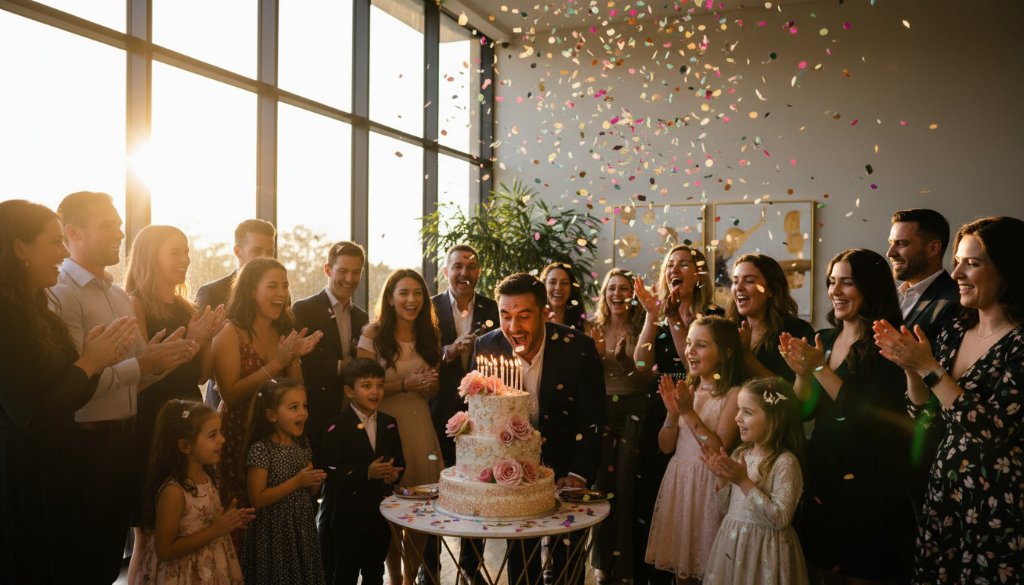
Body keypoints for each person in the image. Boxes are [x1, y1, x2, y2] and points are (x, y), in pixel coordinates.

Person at [51, 191, 197, 584]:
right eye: (108, 226)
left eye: (119, 224)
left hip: (125, 439)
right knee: (80, 558)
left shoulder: (116, 295)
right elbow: (77, 384)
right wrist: (144, 363)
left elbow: (138, 378)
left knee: (107, 555)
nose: (119, 232)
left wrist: (165, 359)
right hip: (86, 443)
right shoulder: (63, 293)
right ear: (73, 233)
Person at [873, 216, 1024, 584]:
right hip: (942, 495)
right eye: (957, 261)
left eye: (972, 263)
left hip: (998, 508)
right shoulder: (956, 328)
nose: (956, 273)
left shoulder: (1019, 343)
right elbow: (926, 414)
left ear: (1009, 269)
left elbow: (992, 430)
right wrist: (911, 367)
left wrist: (929, 368)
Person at [0, 199, 136, 584]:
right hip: (23, 477)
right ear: (19, 248)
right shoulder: (5, 316)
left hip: (58, 466)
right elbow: (32, 416)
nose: (63, 252)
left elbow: (71, 394)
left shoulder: (39, 307)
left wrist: (99, 358)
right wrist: (89, 363)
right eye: (54, 242)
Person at [780, 248, 914, 584]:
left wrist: (819, 368)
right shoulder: (823, 339)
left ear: (871, 288)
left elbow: (866, 414)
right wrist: (801, 375)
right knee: (821, 570)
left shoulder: (890, 342)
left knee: (861, 573)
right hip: (823, 473)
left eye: (847, 283)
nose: (835, 292)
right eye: (832, 282)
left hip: (871, 481)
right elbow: (807, 410)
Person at [470, 272, 606, 585]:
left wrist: (578, 473)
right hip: (511, 471)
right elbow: (479, 414)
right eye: (506, 315)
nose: (513, 327)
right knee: (521, 557)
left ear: (545, 313)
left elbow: (593, 418)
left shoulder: (578, 349)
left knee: (566, 561)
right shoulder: (486, 348)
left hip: (565, 464)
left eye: (524, 316)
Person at [125, 224, 228, 583]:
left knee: (190, 521)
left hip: (190, 418)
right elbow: (144, 373)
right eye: (175, 252)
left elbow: (200, 376)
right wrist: (192, 339)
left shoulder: (186, 307)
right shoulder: (134, 302)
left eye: (186, 251)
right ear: (150, 256)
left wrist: (206, 340)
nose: (185, 259)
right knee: (150, 531)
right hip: (154, 420)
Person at [211, 257, 321, 553]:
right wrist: (277, 362)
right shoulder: (230, 333)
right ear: (250, 291)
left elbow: (295, 389)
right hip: (239, 436)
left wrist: (295, 357)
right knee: (243, 518)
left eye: (284, 286)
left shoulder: (284, 329)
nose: (280, 293)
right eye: (272, 286)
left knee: (276, 520)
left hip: (278, 439)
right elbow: (231, 394)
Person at [631, 244, 722, 585]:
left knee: (690, 502)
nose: (676, 269)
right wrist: (653, 316)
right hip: (660, 409)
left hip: (699, 408)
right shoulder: (657, 311)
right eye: (671, 264)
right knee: (653, 495)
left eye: (684, 264)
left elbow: (694, 370)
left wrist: (671, 319)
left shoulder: (712, 316)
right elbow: (641, 365)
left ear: (698, 275)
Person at [357, 269, 443, 585]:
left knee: (420, 508)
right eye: (404, 293)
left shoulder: (430, 334)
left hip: (419, 425)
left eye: (417, 293)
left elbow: (432, 389)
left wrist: (428, 384)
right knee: (390, 507)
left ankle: (410, 577)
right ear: (391, 298)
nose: (411, 300)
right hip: (383, 426)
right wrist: (405, 383)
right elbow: (361, 387)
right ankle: (394, 578)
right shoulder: (372, 333)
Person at [645, 316, 743, 583]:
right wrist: (672, 415)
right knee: (682, 568)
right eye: (688, 344)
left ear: (726, 353)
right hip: (679, 483)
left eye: (700, 345)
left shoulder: (733, 395)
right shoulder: (688, 389)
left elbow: (718, 447)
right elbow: (665, 446)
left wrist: (687, 412)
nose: (690, 351)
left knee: (710, 568)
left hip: (709, 485)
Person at [429, 245, 499, 584]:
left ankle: (471, 568)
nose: (464, 273)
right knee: (435, 485)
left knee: (478, 487)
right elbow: (419, 355)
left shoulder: (494, 309)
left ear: (480, 272)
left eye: (471, 267)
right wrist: (448, 352)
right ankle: (430, 567)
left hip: (481, 415)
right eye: (457, 266)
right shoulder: (428, 308)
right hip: (436, 411)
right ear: (446, 271)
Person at [699, 378, 808, 585]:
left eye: (747, 412)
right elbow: (725, 508)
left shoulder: (785, 462)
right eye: (739, 410)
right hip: (733, 545)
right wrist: (721, 477)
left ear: (774, 419)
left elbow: (780, 519)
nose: (737, 418)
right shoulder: (741, 454)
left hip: (767, 553)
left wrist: (742, 481)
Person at [886, 208, 961, 508]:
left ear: (933, 248)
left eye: (902, 244)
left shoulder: (954, 300)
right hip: (890, 441)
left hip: (926, 443)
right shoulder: (894, 297)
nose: (890, 251)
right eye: (891, 242)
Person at [136, 400, 253, 585]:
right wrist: (215, 530)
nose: (222, 439)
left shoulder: (208, 477)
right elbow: (165, 550)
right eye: (213, 435)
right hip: (184, 574)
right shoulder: (174, 492)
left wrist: (228, 520)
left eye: (220, 432)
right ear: (185, 446)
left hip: (210, 567)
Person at [587, 268, 648, 585]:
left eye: (624, 288)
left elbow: (645, 380)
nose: (617, 294)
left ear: (633, 295)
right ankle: (600, 563)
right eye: (611, 288)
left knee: (624, 487)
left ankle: (624, 567)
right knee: (600, 488)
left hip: (632, 410)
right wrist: (596, 358)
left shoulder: (643, 327)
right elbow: (584, 379)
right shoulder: (592, 327)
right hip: (601, 410)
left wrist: (626, 361)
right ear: (604, 294)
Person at [319, 358, 404, 585]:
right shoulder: (336, 426)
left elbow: (400, 461)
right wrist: (366, 472)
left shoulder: (390, 423)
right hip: (347, 517)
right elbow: (330, 469)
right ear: (349, 391)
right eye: (366, 386)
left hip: (379, 514)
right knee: (345, 574)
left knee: (375, 572)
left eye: (379, 385)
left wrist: (395, 473)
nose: (375, 391)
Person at [292, 241, 370, 466]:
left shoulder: (361, 317)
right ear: (327, 270)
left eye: (356, 273)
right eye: (343, 271)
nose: (349, 279)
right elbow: (298, 363)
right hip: (315, 412)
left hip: (350, 413)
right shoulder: (303, 309)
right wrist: (340, 366)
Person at [242, 379, 326, 585]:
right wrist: (297, 481)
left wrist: (314, 481)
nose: (303, 413)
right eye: (293, 407)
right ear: (271, 415)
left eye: (304, 406)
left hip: (301, 529)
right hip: (273, 533)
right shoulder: (262, 450)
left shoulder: (302, 444)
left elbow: (310, 491)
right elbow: (258, 499)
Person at [196, 219, 276, 409]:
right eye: (257, 251)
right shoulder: (212, 293)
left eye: (269, 252)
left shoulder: (279, 294)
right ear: (238, 251)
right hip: (225, 400)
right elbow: (203, 358)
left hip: (271, 400)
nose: (264, 258)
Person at [725, 254, 814, 382]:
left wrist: (746, 356)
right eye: (735, 281)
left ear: (771, 290)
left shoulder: (796, 331)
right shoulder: (728, 328)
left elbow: (791, 393)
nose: (739, 287)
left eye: (749, 281)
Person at [541, 262, 588, 330]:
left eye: (564, 283)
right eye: (552, 282)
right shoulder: (535, 321)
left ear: (572, 288)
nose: (558, 287)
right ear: (544, 286)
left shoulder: (585, 326)